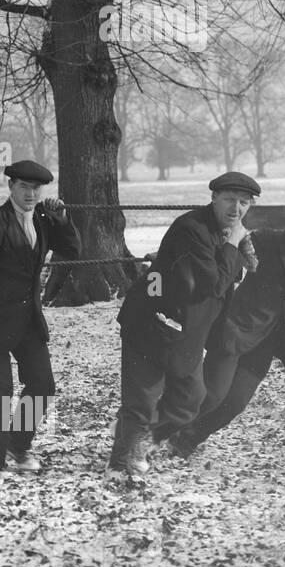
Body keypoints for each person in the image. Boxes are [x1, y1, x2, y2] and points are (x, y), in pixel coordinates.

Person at [170, 199, 285, 457]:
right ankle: (158, 430)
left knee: (235, 403)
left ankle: (185, 441)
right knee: (213, 395)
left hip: (268, 342)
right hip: (235, 330)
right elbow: (222, 260)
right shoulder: (267, 241)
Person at [108, 171, 260, 475]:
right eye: (230, 199)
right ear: (214, 198)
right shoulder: (192, 228)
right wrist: (233, 244)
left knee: (190, 399)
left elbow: (226, 277)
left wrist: (238, 249)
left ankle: (137, 435)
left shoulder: (224, 232)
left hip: (187, 332)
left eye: (244, 203)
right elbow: (213, 283)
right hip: (151, 324)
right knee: (143, 397)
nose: (236, 209)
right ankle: (122, 463)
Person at [0, 160, 81, 474]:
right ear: (11, 187)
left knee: (42, 385)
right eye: (24, 187)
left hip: (28, 321)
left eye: (36, 188)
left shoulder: (42, 219)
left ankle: (17, 443)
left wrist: (61, 218)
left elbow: (73, 249)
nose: (30, 194)